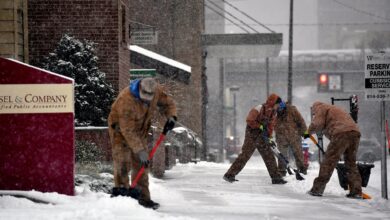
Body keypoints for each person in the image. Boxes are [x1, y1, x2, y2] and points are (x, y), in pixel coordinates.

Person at [108, 77, 177, 209]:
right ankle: (122, 197)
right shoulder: (126, 100)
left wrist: (171, 117)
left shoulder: (156, 91)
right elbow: (127, 130)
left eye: (149, 97)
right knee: (122, 163)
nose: (146, 100)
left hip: (140, 130)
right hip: (119, 131)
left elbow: (168, 103)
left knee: (142, 165)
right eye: (144, 96)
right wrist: (140, 151)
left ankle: (143, 198)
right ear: (139, 88)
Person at [223, 93, 287, 184]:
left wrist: (269, 137)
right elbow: (249, 120)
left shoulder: (273, 113)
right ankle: (229, 174)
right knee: (245, 155)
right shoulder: (259, 108)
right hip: (252, 133)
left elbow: (271, 126)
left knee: (269, 155)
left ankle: (276, 177)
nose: (278, 107)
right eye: (277, 105)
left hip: (262, 135)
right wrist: (259, 126)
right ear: (273, 103)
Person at [305, 101, 362, 198]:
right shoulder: (334, 108)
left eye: (314, 113)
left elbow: (317, 123)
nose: (314, 114)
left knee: (328, 162)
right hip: (355, 133)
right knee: (351, 163)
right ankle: (356, 191)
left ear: (314, 108)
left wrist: (307, 132)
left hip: (341, 133)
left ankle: (317, 189)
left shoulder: (320, 108)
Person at [274, 101, 308, 176]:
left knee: (298, 154)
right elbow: (273, 124)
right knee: (282, 155)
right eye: (278, 110)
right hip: (281, 137)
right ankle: (282, 171)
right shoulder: (275, 112)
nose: (279, 111)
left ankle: (302, 170)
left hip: (294, 136)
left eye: (280, 109)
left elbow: (301, 121)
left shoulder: (292, 110)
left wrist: (305, 133)